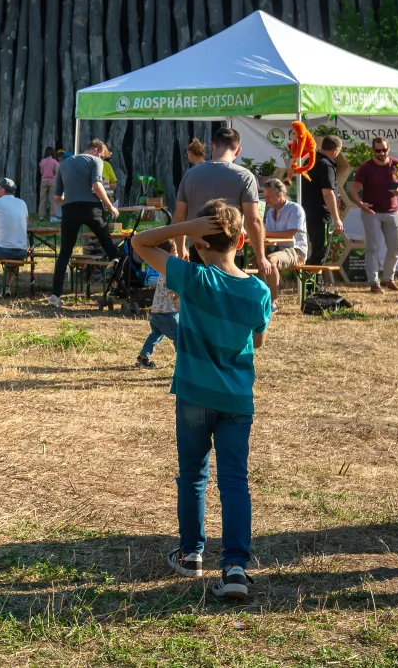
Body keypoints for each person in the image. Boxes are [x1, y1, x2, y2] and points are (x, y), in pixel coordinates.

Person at [132, 200, 271, 603]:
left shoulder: (192, 278)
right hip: (237, 400)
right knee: (234, 481)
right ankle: (235, 567)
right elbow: (257, 341)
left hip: (194, 394)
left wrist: (187, 224)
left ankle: (191, 552)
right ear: (242, 240)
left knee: (193, 475)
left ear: (196, 245)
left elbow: (140, 242)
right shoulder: (258, 289)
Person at [175, 128, 265, 277]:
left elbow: (179, 217)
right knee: (230, 297)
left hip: (199, 248)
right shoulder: (244, 176)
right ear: (238, 151)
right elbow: (253, 220)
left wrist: (180, 248)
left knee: (201, 297)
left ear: (211, 146)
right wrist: (260, 257)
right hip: (230, 251)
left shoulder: (190, 175)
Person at [48, 139, 122, 307]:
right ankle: (120, 285)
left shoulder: (64, 165)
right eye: (103, 157)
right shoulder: (95, 161)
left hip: (69, 210)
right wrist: (110, 206)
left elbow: (57, 197)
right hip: (91, 208)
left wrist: (71, 203)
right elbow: (96, 185)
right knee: (109, 246)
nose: (102, 160)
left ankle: (55, 295)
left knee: (65, 253)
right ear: (96, 151)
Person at [349, 135, 398, 294]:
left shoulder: (396, 165)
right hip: (371, 212)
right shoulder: (366, 167)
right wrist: (361, 205)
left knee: (396, 246)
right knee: (373, 248)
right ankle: (374, 282)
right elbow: (353, 189)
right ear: (373, 150)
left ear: (389, 148)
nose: (381, 153)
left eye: (384, 150)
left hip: (392, 211)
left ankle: (388, 279)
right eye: (378, 150)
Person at [301, 135, 344, 267]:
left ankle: (314, 285)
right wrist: (337, 219)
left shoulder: (310, 160)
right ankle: (310, 286)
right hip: (321, 215)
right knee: (320, 252)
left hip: (307, 212)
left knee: (315, 249)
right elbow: (328, 193)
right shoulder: (326, 165)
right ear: (335, 151)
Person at [259, 178, 307, 296]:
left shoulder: (295, 209)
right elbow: (268, 234)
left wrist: (262, 233)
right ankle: (266, 293)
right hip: (275, 249)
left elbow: (289, 234)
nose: (266, 200)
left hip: (295, 251)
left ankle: (273, 302)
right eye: (265, 197)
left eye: (269, 197)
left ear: (280, 195)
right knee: (254, 259)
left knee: (270, 260)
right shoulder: (270, 212)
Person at [137, 252, 180, 369]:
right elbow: (178, 293)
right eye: (176, 252)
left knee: (156, 334)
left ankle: (143, 356)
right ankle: (183, 361)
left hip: (156, 311)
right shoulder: (174, 274)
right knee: (180, 336)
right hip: (168, 313)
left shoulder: (163, 271)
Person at [38, 147, 60, 220]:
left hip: (43, 181)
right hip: (52, 181)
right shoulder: (55, 162)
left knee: (42, 199)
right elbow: (57, 173)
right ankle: (53, 217)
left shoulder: (42, 161)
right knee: (53, 199)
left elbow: (41, 172)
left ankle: (41, 216)